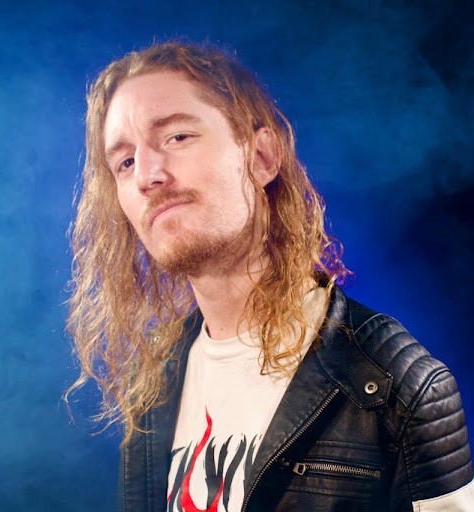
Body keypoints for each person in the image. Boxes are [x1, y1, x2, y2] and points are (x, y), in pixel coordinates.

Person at [66, 42, 473, 511]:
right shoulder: (154, 382)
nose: (146, 175)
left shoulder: (395, 385)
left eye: (177, 137)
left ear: (261, 157)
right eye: (125, 162)